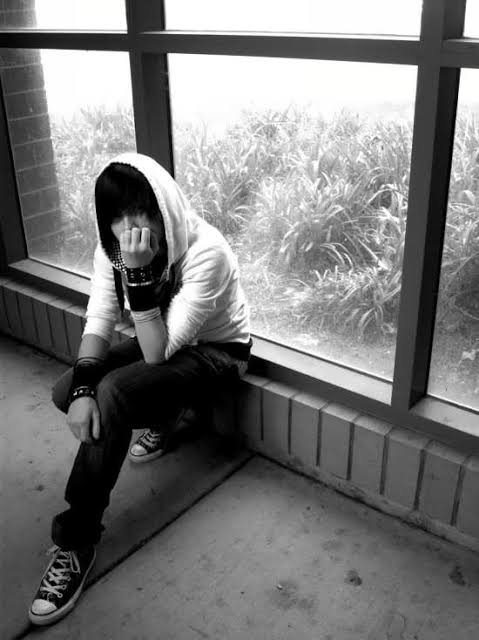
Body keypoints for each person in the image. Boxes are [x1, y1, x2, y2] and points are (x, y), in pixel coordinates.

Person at [28, 152, 252, 626]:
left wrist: (138, 274)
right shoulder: (111, 250)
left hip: (218, 353)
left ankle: (77, 540)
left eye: (141, 212)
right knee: (68, 390)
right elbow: (99, 320)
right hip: (164, 340)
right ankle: (167, 413)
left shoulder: (206, 251)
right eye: (117, 216)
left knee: (114, 395)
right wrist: (83, 391)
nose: (130, 229)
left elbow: (155, 353)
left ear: (164, 208)